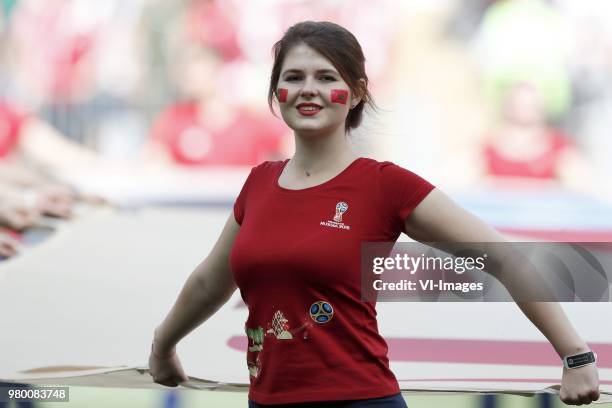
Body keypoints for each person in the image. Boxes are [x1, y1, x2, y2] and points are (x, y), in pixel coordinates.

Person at [149, 21, 600, 407]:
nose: (309, 89)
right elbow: (211, 280)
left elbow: (504, 256)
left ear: (357, 91)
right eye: (295, 76)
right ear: (277, 92)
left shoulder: (386, 185)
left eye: (327, 77)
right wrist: (163, 345)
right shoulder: (258, 183)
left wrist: (575, 355)